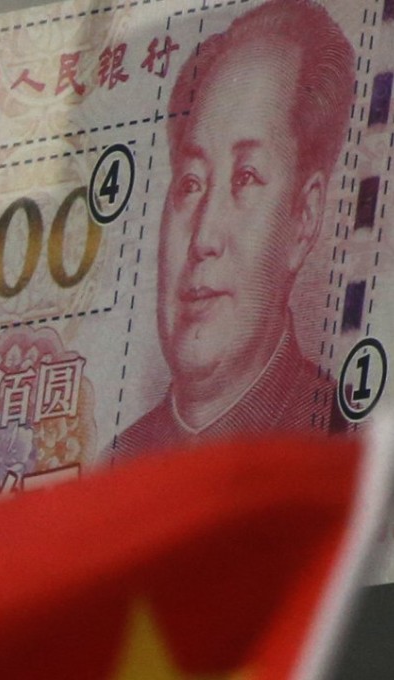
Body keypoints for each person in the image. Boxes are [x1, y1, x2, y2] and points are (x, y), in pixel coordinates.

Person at [110, 0, 353, 461]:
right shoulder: (116, 468)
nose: (203, 239)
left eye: (245, 178)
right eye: (191, 183)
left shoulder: (345, 453)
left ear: (303, 219)